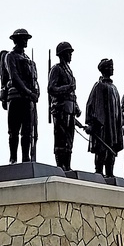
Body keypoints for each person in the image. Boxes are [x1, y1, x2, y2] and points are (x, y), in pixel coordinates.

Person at [2, 28, 39, 163]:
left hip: (28, 99)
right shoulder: (10, 56)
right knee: (14, 130)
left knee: (28, 130)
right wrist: (28, 92)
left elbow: (34, 79)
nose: (26, 41)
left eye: (27, 39)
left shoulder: (29, 60)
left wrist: (36, 92)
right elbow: (14, 76)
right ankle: (13, 158)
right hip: (16, 97)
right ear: (17, 40)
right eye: (23, 39)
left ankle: (25, 157)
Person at [84, 59, 123, 177]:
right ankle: (99, 171)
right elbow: (90, 105)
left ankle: (110, 172)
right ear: (104, 69)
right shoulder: (99, 86)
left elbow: (118, 110)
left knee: (112, 148)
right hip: (102, 125)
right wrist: (90, 123)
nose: (112, 68)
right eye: (110, 66)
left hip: (113, 126)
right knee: (101, 149)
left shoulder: (114, 88)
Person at [48, 41, 81, 170]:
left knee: (69, 139)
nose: (71, 55)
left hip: (70, 108)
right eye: (69, 53)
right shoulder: (56, 69)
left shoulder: (69, 70)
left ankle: (67, 165)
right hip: (60, 108)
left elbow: (73, 92)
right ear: (62, 54)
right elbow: (51, 88)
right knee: (61, 138)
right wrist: (68, 87)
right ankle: (60, 165)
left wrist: (76, 106)